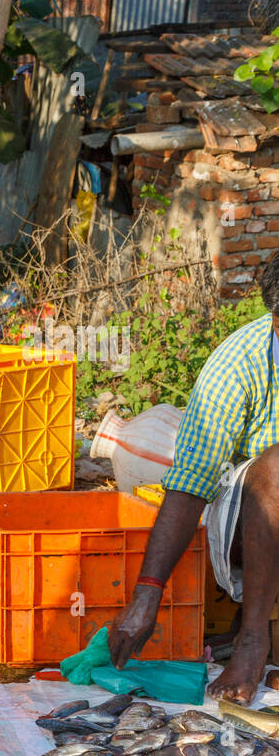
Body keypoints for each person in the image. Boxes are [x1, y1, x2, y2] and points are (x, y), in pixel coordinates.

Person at [109, 254, 279, 702]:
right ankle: (253, 638)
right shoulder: (237, 366)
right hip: (251, 510)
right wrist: (147, 594)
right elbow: (190, 488)